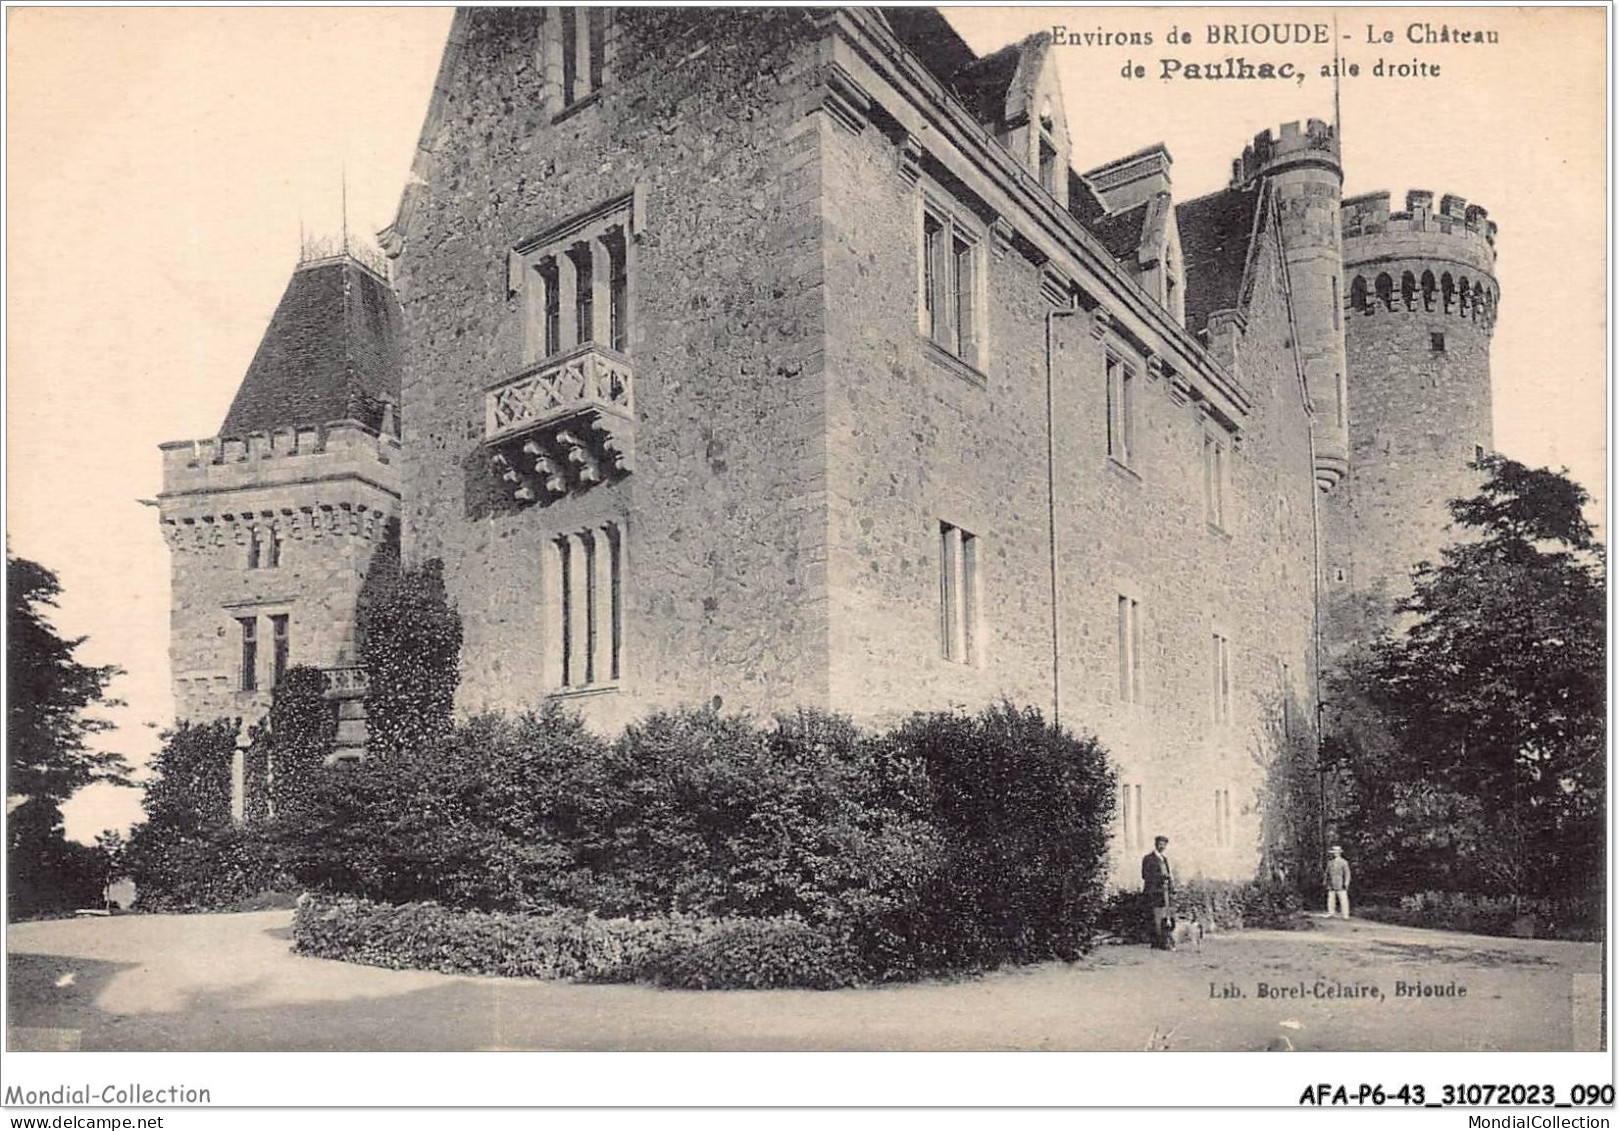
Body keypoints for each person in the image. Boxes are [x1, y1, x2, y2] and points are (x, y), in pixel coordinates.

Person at [1141, 835, 1174, 948]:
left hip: (1163, 892)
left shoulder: (1164, 859)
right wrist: (1161, 877)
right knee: (1155, 917)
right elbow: (1145, 875)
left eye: (1164, 844)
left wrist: (1170, 886)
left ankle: (1164, 940)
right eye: (1160, 843)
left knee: (1164, 916)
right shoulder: (1148, 858)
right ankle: (1156, 942)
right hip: (1153, 892)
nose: (1162, 846)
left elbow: (1168, 875)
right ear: (1156, 844)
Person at [1326, 845, 1352, 918]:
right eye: (1334, 852)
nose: (1335, 853)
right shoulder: (1330, 862)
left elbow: (1347, 873)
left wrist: (1346, 883)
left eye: (1337, 852)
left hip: (1341, 882)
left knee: (1343, 899)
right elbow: (1327, 873)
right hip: (1331, 882)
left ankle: (1345, 914)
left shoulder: (1344, 862)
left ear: (1339, 853)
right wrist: (1327, 882)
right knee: (1331, 898)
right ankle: (1331, 912)